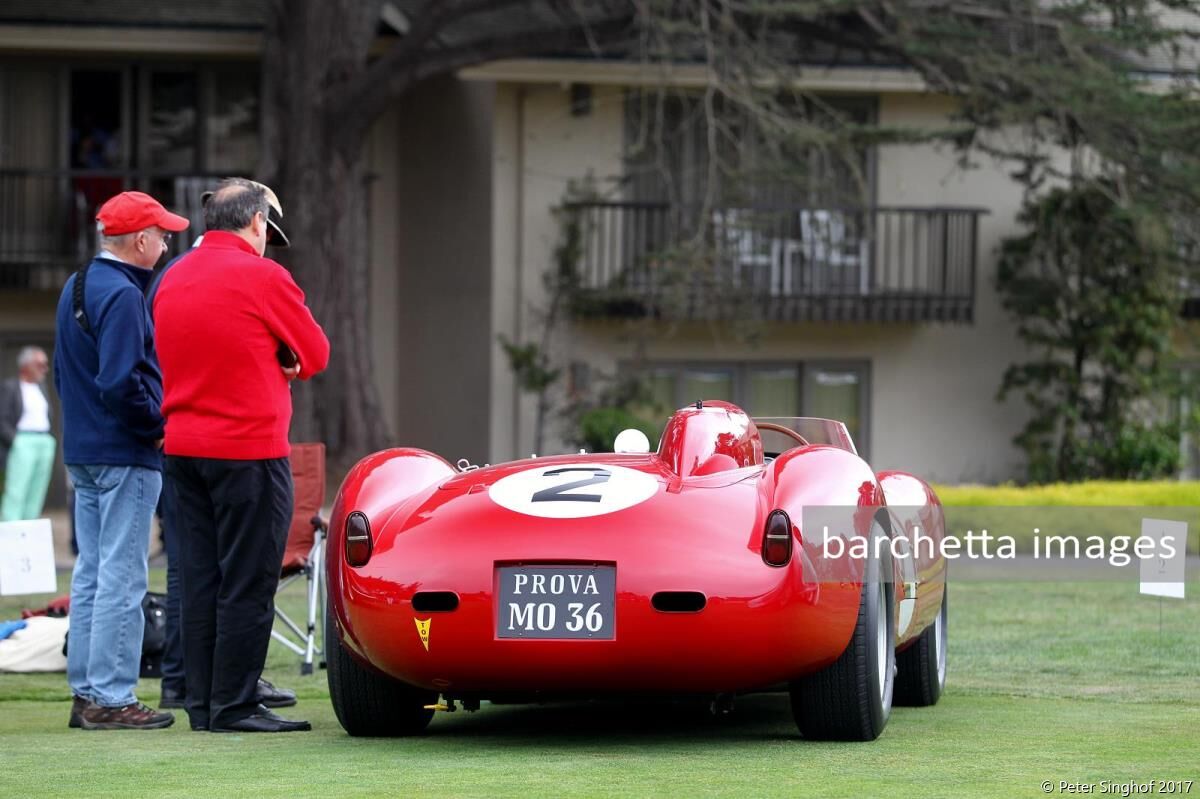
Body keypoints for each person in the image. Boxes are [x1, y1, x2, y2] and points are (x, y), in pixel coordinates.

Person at [154, 178, 329, 733]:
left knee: (199, 579)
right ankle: (234, 705)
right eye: (266, 231)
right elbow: (316, 353)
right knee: (249, 580)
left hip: (182, 449)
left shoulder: (171, 276)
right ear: (256, 221)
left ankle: (203, 704)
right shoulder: (264, 276)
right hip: (248, 450)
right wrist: (289, 363)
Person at [54, 190, 189, 730]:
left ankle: (87, 693)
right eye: (160, 234)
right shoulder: (126, 295)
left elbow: (68, 376)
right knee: (122, 576)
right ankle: (111, 698)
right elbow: (121, 380)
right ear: (140, 240)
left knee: (92, 572)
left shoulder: (77, 284)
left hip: (85, 449)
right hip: (125, 453)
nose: (164, 242)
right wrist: (156, 428)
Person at [0, 347, 56, 521]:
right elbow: (2, 418)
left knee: (36, 492)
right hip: (22, 441)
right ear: (26, 366)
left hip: (44, 441)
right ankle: (9, 537)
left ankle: (28, 536)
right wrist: (15, 441)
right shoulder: (10, 387)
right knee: (16, 491)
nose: (44, 369)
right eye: (40, 364)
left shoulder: (42, 387)